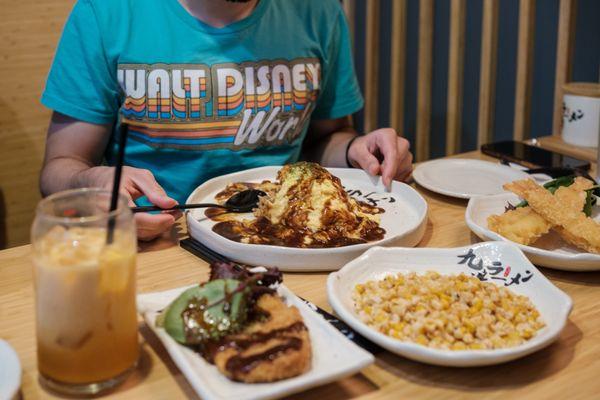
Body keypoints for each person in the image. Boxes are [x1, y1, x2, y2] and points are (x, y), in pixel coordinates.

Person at [40, 0, 413, 241]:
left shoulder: (318, 12)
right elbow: (60, 169)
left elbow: (323, 139)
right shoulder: (106, 13)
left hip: (291, 234)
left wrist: (355, 151)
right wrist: (92, 186)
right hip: (158, 240)